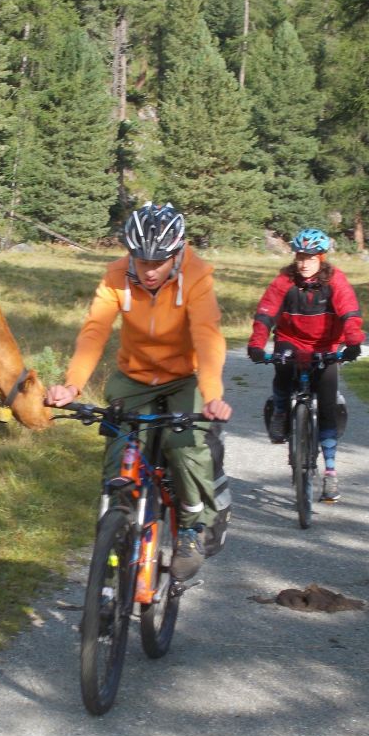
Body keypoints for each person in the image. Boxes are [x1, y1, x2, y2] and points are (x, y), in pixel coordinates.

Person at [45, 202, 231, 582]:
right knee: (118, 461)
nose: (148, 270)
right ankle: (118, 536)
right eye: (140, 260)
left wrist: (212, 395)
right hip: (133, 378)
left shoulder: (196, 276)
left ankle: (193, 528)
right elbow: (95, 330)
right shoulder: (116, 275)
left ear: (176, 253)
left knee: (184, 450)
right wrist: (71, 385)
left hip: (185, 378)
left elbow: (207, 336)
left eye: (158, 261)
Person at [246, 228, 365, 502]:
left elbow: (349, 311)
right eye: (300, 256)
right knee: (282, 369)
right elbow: (266, 313)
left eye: (310, 257)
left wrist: (353, 342)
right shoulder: (284, 281)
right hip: (290, 341)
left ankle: (331, 474)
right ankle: (279, 410)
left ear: (321, 258)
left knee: (327, 408)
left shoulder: (336, 281)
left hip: (325, 347)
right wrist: (256, 344)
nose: (303, 262)